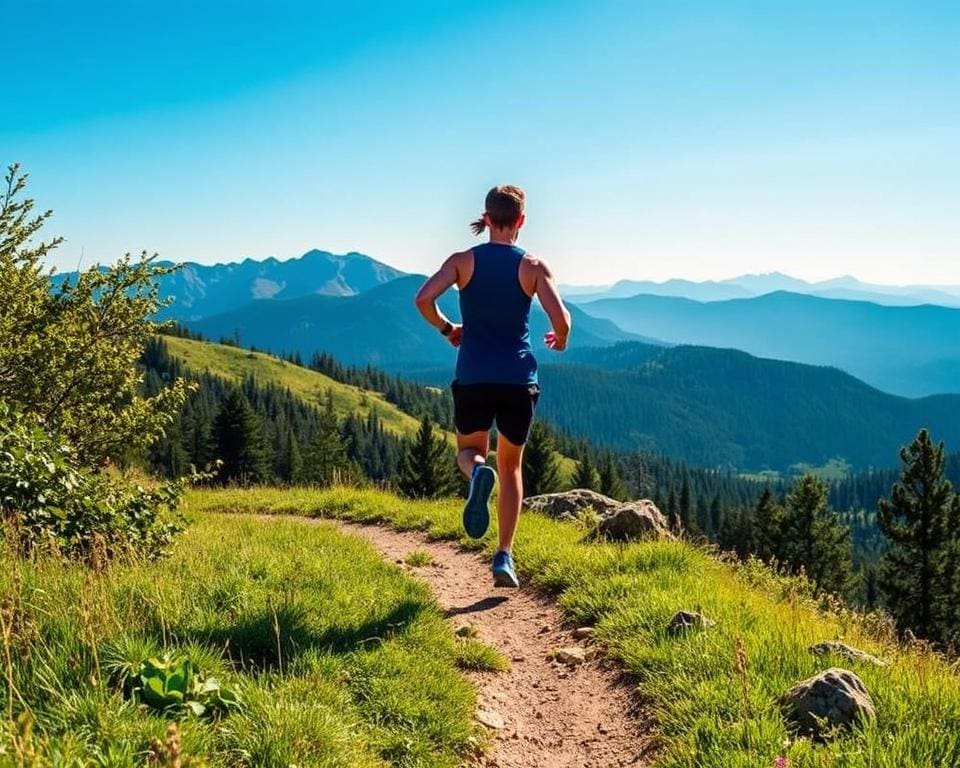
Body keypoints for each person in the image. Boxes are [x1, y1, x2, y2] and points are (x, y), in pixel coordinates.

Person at [415, 185, 571, 587]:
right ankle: (504, 556)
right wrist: (561, 339)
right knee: (513, 466)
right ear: (521, 221)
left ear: (486, 218)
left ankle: (477, 474)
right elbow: (562, 322)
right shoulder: (532, 266)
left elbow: (423, 299)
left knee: (469, 453)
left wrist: (448, 328)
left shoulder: (462, 262)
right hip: (519, 381)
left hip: (474, 377)